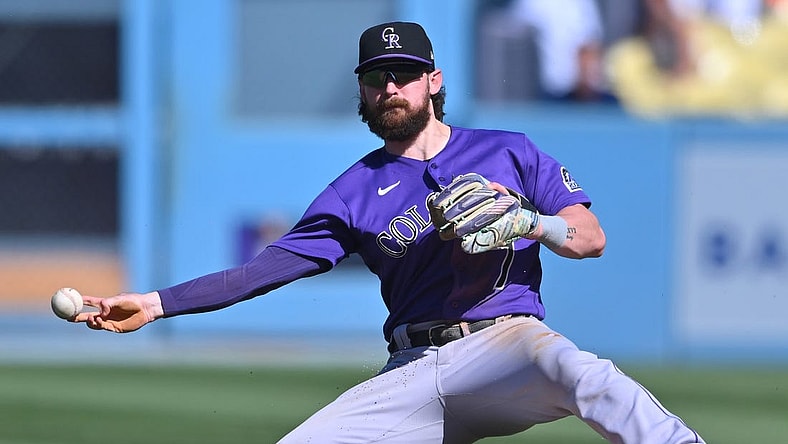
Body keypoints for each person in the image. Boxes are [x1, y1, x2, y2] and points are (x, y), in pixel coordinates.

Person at [73, 21, 705, 443]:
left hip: (504, 347)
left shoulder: (507, 152)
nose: (391, 88)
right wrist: (155, 305)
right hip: (411, 368)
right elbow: (261, 271)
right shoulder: (352, 191)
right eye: (377, 78)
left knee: (584, 374)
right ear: (364, 92)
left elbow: (590, 238)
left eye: (403, 74)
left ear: (433, 81)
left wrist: (530, 223)